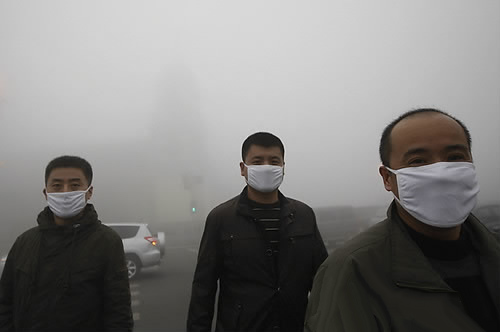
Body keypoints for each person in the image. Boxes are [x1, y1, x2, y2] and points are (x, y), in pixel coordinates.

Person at [304, 108, 500, 332]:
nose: (441, 173)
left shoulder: (494, 249)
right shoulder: (351, 272)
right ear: (388, 178)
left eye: (455, 157)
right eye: (418, 161)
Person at [187, 132, 328, 332]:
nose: (266, 167)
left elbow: (323, 281)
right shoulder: (221, 218)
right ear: (243, 169)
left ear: (283, 167)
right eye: (257, 161)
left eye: (274, 161)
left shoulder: (304, 215)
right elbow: (203, 288)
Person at [0, 155, 133, 332]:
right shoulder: (25, 241)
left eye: (75, 185)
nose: (65, 192)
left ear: (89, 192)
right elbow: (5, 302)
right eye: (56, 186)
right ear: (46, 192)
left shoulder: (106, 242)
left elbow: (119, 311)